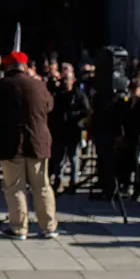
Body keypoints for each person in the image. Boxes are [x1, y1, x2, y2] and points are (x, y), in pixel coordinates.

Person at [0, 51, 58, 240]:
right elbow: (50, 106)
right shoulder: (38, 85)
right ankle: (48, 226)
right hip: (37, 143)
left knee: (15, 187)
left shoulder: (0, 87)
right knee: (42, 185)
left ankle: (19, 228)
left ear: (7, 67)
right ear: (25, 67)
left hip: (10, 144)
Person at [49, 63, 91, 193]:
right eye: (64, 79)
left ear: (73, 80)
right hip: (59, 130)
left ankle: (74, 181)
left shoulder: (79, 94)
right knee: (58, 158)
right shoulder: (58, 94)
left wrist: (74, 116)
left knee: (73, 157)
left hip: (73, 130)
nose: (66, 82)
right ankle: (58, 181)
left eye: (68, 79)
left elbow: (86, 110)